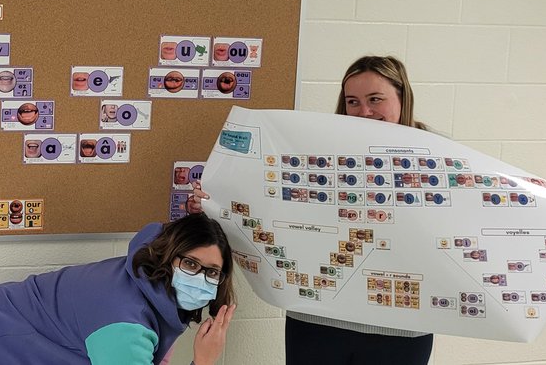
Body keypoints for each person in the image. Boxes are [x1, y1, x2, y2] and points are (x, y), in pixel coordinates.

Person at [186, 55, 433, 365]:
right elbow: (266, 201)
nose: (364, 111)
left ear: (402, 97)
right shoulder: (315, 151)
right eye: (353, 101)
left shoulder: (437, 157)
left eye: (375, 99)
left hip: (400, 328)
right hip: (317, 319)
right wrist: (213, 204)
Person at [0, 212, 237, 365]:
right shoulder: (124, 326)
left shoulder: (144, 272)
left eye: (212, 271)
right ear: (168, 256)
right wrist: (203, 361)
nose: (200, 278)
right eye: (191, 264)